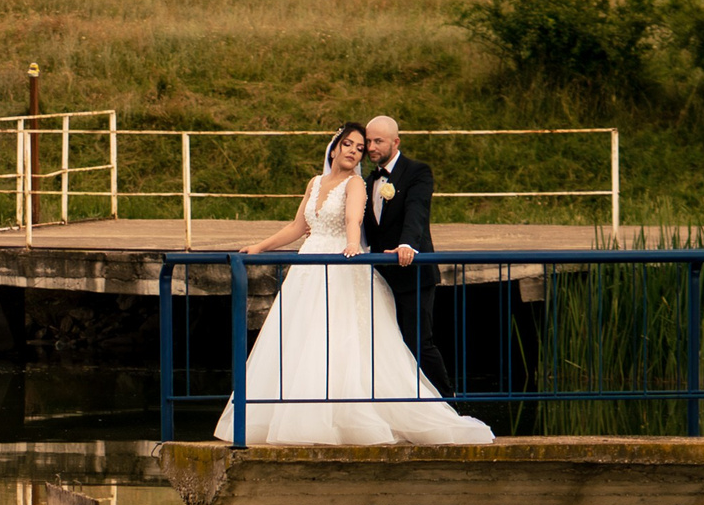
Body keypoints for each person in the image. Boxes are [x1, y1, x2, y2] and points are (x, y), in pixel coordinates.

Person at [210, 122, 493, 445]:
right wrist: (259, 247)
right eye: (350, 144)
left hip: (340, 261)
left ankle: (370, 413)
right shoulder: (315, 183)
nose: (356, 151)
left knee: (344, 338)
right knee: (300, 338)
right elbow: (298, 225)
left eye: (361, 148)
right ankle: (292, 415)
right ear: (334, 147)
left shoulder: (356, 182)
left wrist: (352, 243)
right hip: (308, 267)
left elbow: (354, 220)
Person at [362, 116, 452, 393]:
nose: (371, 147)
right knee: (385, 343)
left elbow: (417, 210)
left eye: (378, 141)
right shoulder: (368, 180)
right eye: (368, 141)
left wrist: (407, 245)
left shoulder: (417, 171)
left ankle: (448, 403)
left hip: (412, 273)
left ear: (395, 142)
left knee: (418, 342)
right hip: (379, 277)